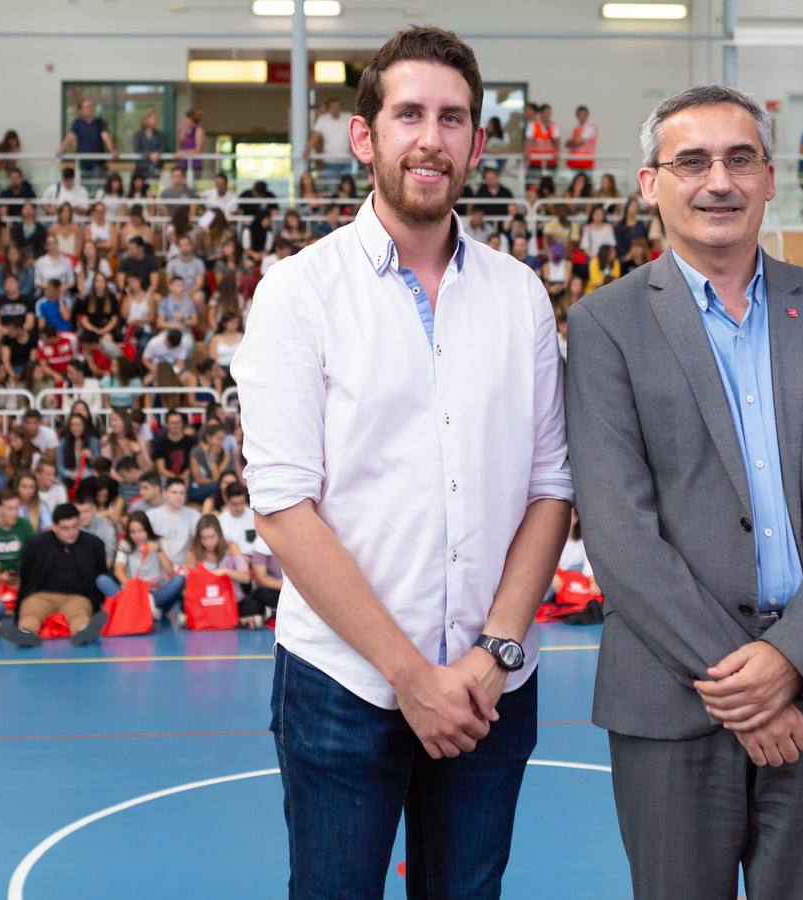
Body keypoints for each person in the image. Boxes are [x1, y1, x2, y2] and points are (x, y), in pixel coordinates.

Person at [232, 27, 572, 898]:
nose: (431, 137)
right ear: (364, 136)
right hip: (343, 684)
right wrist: (409, 676)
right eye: (409, 114)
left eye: (452, 118)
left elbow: (548, 489)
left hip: (491, 684)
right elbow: (281, 505)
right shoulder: (298, 292)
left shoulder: (519, 294)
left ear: (476, 142)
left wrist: (491, 653)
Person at [563, 84, 803, 898]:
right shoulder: (605, 324)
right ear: (650, 183)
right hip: (674, 703)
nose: (718, 180)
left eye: (738, 159)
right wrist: (744, 684)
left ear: (769, 176)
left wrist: (790, 660)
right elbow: (619, 534)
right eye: (691, 161)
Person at [0, 503, 110, 647]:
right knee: (30, 613)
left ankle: (82, 633)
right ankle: (26, 634)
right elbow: (26, 577)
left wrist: (98, 605)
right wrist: (19, 606)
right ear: (54, 527)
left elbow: (100, 575)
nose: (71, 532)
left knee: (80, 614)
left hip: (77, 597)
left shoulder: (94, 545)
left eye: (75, 527)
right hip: (41, 595)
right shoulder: (36, 544)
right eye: (65, 528)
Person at [0, 492, 36, 594]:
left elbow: (33, 557)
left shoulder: (25, 526)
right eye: (9, 509)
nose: (14, 513)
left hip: (19, 576)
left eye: (16, 509)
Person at [144, 477, 200, 563]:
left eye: (182, 493)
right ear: (165, 493)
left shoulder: (194, 515)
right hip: (157, 567)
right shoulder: (151, 515)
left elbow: (198, 542)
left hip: (183, 568)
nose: (178, 496)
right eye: (174, 492)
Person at [564, 104, 598, 171]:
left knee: (586, 181)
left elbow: (578, 142)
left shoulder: (591, 127)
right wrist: (573, 142)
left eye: (583, 114)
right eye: (579, 114)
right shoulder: (576, 129)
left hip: (586, 163)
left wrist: (572, 141)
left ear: (587, 115)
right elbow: (566, 144)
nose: (581, 116)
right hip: (574, 163)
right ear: (576, 116)